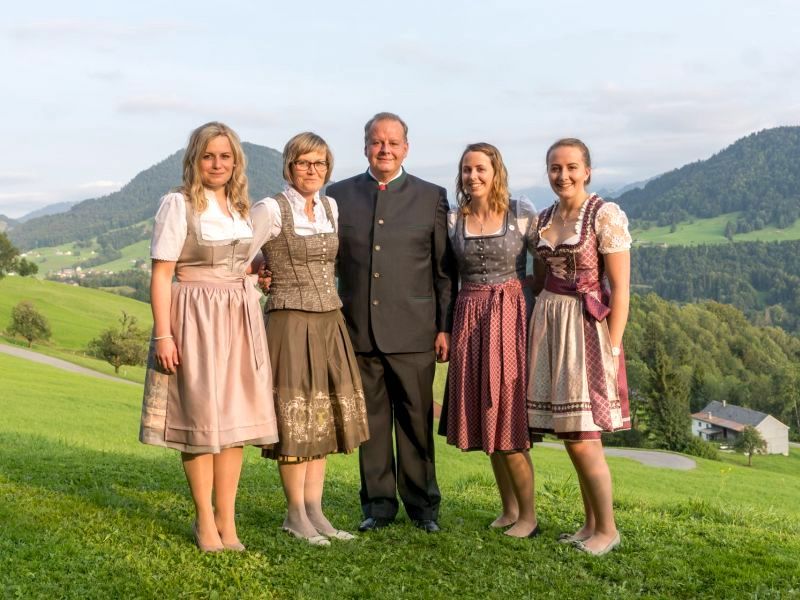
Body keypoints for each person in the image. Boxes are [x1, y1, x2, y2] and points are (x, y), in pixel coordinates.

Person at [139, 121, 278, 553]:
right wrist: (164, 335)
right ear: (195, 160)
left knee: (232, 423)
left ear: (235, 162)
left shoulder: (240, 206)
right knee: (201, 419)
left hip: (238, 315)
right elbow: (162, 274)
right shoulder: (178, 205)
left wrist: (256, 273)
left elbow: (239, 263)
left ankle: (227, 521)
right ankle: (203, 520)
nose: (217, 164)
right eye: (208, 156)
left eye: (225, 156)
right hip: (194, 316)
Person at [326, 112, 457, 533]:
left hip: (415, 329)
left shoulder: (431, 196)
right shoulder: (338, 194)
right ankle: (378, 506)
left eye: (393, 142)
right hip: (358, 329)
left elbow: (443, 270)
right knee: (373, 424)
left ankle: (423, 507)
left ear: (406, 147)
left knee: (416, 421)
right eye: (377, 142)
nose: (385, 149)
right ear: (365, 146)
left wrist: (444, 326)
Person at [250, 132, 369, 546]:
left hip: (328, 320)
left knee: (321, 418)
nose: (312, 170)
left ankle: (316, 512)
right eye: (304, 163)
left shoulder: (330, 207)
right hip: (289, 320)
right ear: (289, 166)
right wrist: (262, 272)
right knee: (296, 420)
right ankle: (294, 514)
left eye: (319, 163)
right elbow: (240, 256)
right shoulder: (271, 208)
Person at [527, 138, 631, 556]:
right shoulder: (546, 215)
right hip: (550, 323)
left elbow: (621, 288)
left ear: (587, 170)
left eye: (571, 167)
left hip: (586, 328)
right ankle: (590, 524)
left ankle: (607, 529)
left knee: (585, 434)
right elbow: (539, 276)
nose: (563, 175)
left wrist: (613, 345)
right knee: (572, 433)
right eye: (555, 168)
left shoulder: (604, 214)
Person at [439, 143, 542, 538]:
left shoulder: (521, 213)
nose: (473, 177)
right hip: (470, 316)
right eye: (466, 170)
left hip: (510, 317)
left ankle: (529, 517)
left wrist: (532, 309)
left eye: (480, 169)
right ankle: (509, 507)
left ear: (496, 171)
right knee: (488, 417)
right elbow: (447, 278)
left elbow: (544, 267)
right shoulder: (454, 219)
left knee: (508, 420)